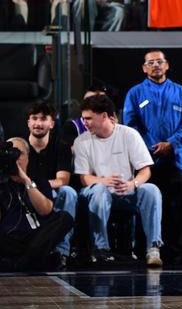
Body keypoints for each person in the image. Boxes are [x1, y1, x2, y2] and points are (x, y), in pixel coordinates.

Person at [124, 50, 182, 265]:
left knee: (176, 209)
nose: (156, 65)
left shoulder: (181, 92)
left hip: (174, 161)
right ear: (144, 68)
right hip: (146, 163)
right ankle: (144, 249)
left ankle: (174, 253)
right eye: (151, 62)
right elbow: (130, 124)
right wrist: (150, 146)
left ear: (167, 65)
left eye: (159, 61)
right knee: (145, 206)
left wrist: (172, 143)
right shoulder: (135, 93)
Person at [73, 94, 163, 267]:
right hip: (97, 194)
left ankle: (153, 248)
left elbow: (145, 170)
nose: (84, 123)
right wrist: (103, 181)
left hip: (125, 192)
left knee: (151, 190)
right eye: (83, 118)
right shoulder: (81, 141)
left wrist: (132, 184)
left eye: (89, 118)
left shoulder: (129, 134)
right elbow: (84, 178)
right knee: (99, 190)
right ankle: (101, 249)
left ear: (104, 116)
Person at [0, 137, 74, 271]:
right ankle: (30, 262)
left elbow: (45, 210)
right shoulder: (2, 183)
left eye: (19, 153)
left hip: (36, 239)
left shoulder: (38, 181)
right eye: (10, 153)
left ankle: (22, 263)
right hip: (9, 239)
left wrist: (26, 181)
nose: (15, 158)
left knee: (64, 217)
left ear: (27, 157)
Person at [25, 101, 77, 269]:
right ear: (28, 122)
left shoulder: (61, 146)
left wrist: (38, 185)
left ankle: (62, 251)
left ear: (52, 123)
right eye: (34, 118)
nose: (38, 123)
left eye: (43, 119)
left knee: (68, 192)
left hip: (51, 191)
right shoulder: (20, 146)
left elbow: (63, 180)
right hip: (25, 192)